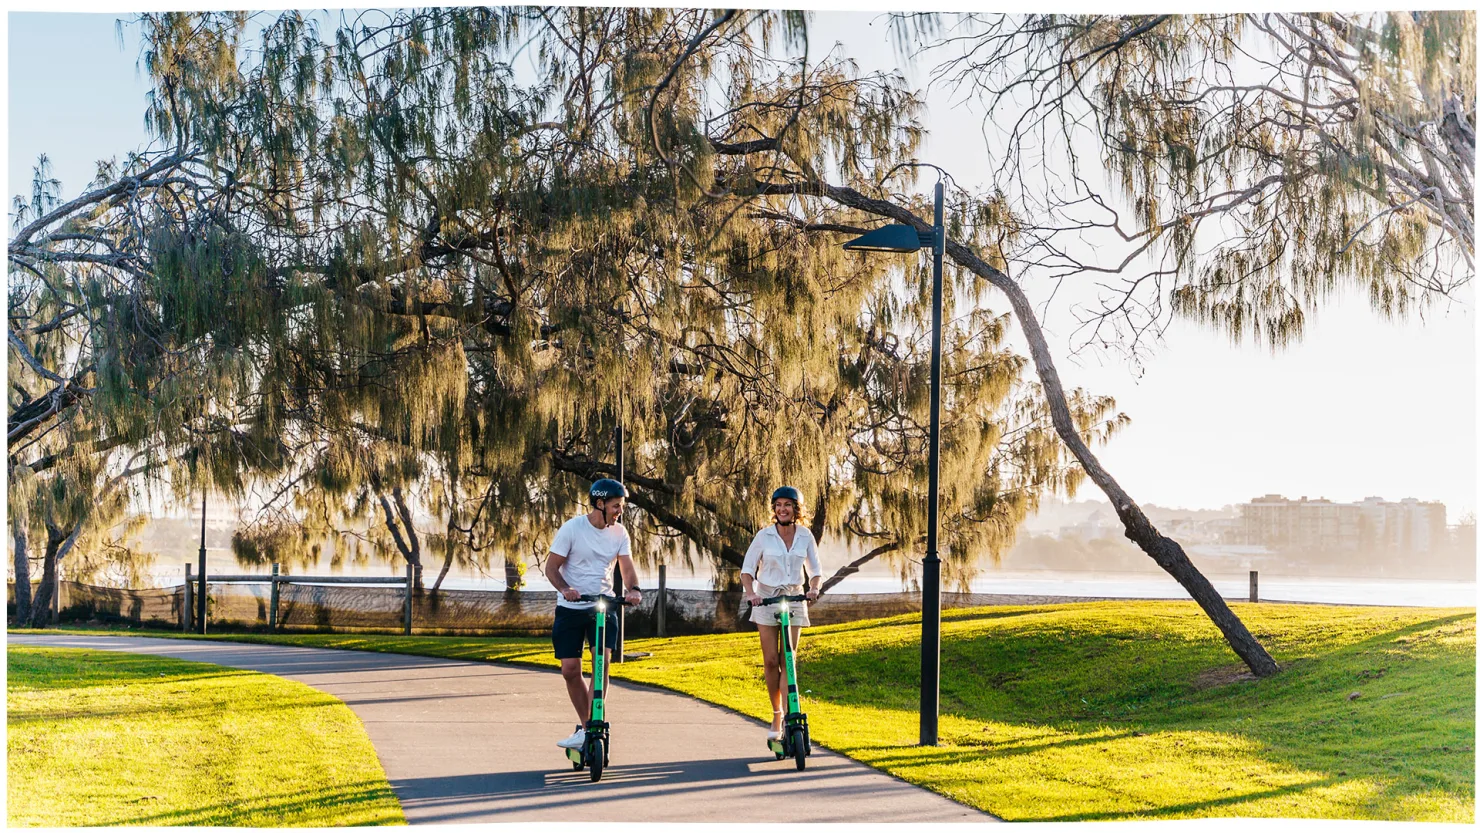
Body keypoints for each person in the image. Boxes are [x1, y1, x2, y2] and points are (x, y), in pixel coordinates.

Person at [545, 478, 643, 750]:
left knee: (601, 664)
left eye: (620, 506)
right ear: (599, 504)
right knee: (570, 670)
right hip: (571, 608)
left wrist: (633, 589)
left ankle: (593, 728)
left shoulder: (620, 533)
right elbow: (551, 568)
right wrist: (565, 589)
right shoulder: (572, 529)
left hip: (603, 606)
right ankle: (587, 726)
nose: (619, 511)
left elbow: (626, 568)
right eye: (615, 506)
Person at [740, 485, 822, 740]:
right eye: (779, 505)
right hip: (766, 600)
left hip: (795, 598)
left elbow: (816, 569)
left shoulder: (805, 535)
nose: (783, 509)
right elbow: (746, 570)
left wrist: (813, 588)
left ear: (796, 509)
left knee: (789, 658)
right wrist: (751, 593)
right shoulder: (764, 536)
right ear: (774, 509)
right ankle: (776, 713)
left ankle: (790, 715)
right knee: (771, 660)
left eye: (788, 505)